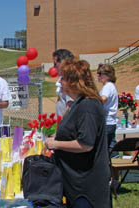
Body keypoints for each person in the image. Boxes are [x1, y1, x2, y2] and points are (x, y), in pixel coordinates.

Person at [45, 60, 111, 208]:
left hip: (87, 185)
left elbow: (86, 144)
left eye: (63, 78)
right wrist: (57, 137)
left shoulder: (88, 106)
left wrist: (55, 144)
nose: (59, 82)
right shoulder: (78, 103)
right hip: (75, 181)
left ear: (73, 82)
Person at [97, 64, 119, 158]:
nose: (98, 76)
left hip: (106, 122)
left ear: (107, 75)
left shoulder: (108, 86)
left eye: (100, 74)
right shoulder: (111, 86)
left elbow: (103, 99)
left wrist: (94, 104)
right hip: (111, 122)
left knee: (103, 150)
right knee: (111, 148)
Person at [52, 49, 74, 116]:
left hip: (67, 122)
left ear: (63, 62)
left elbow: (70, 104)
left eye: (55, 64)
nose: (54, 67)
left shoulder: (69, 78)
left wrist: (61, 122)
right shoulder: (64, 77)